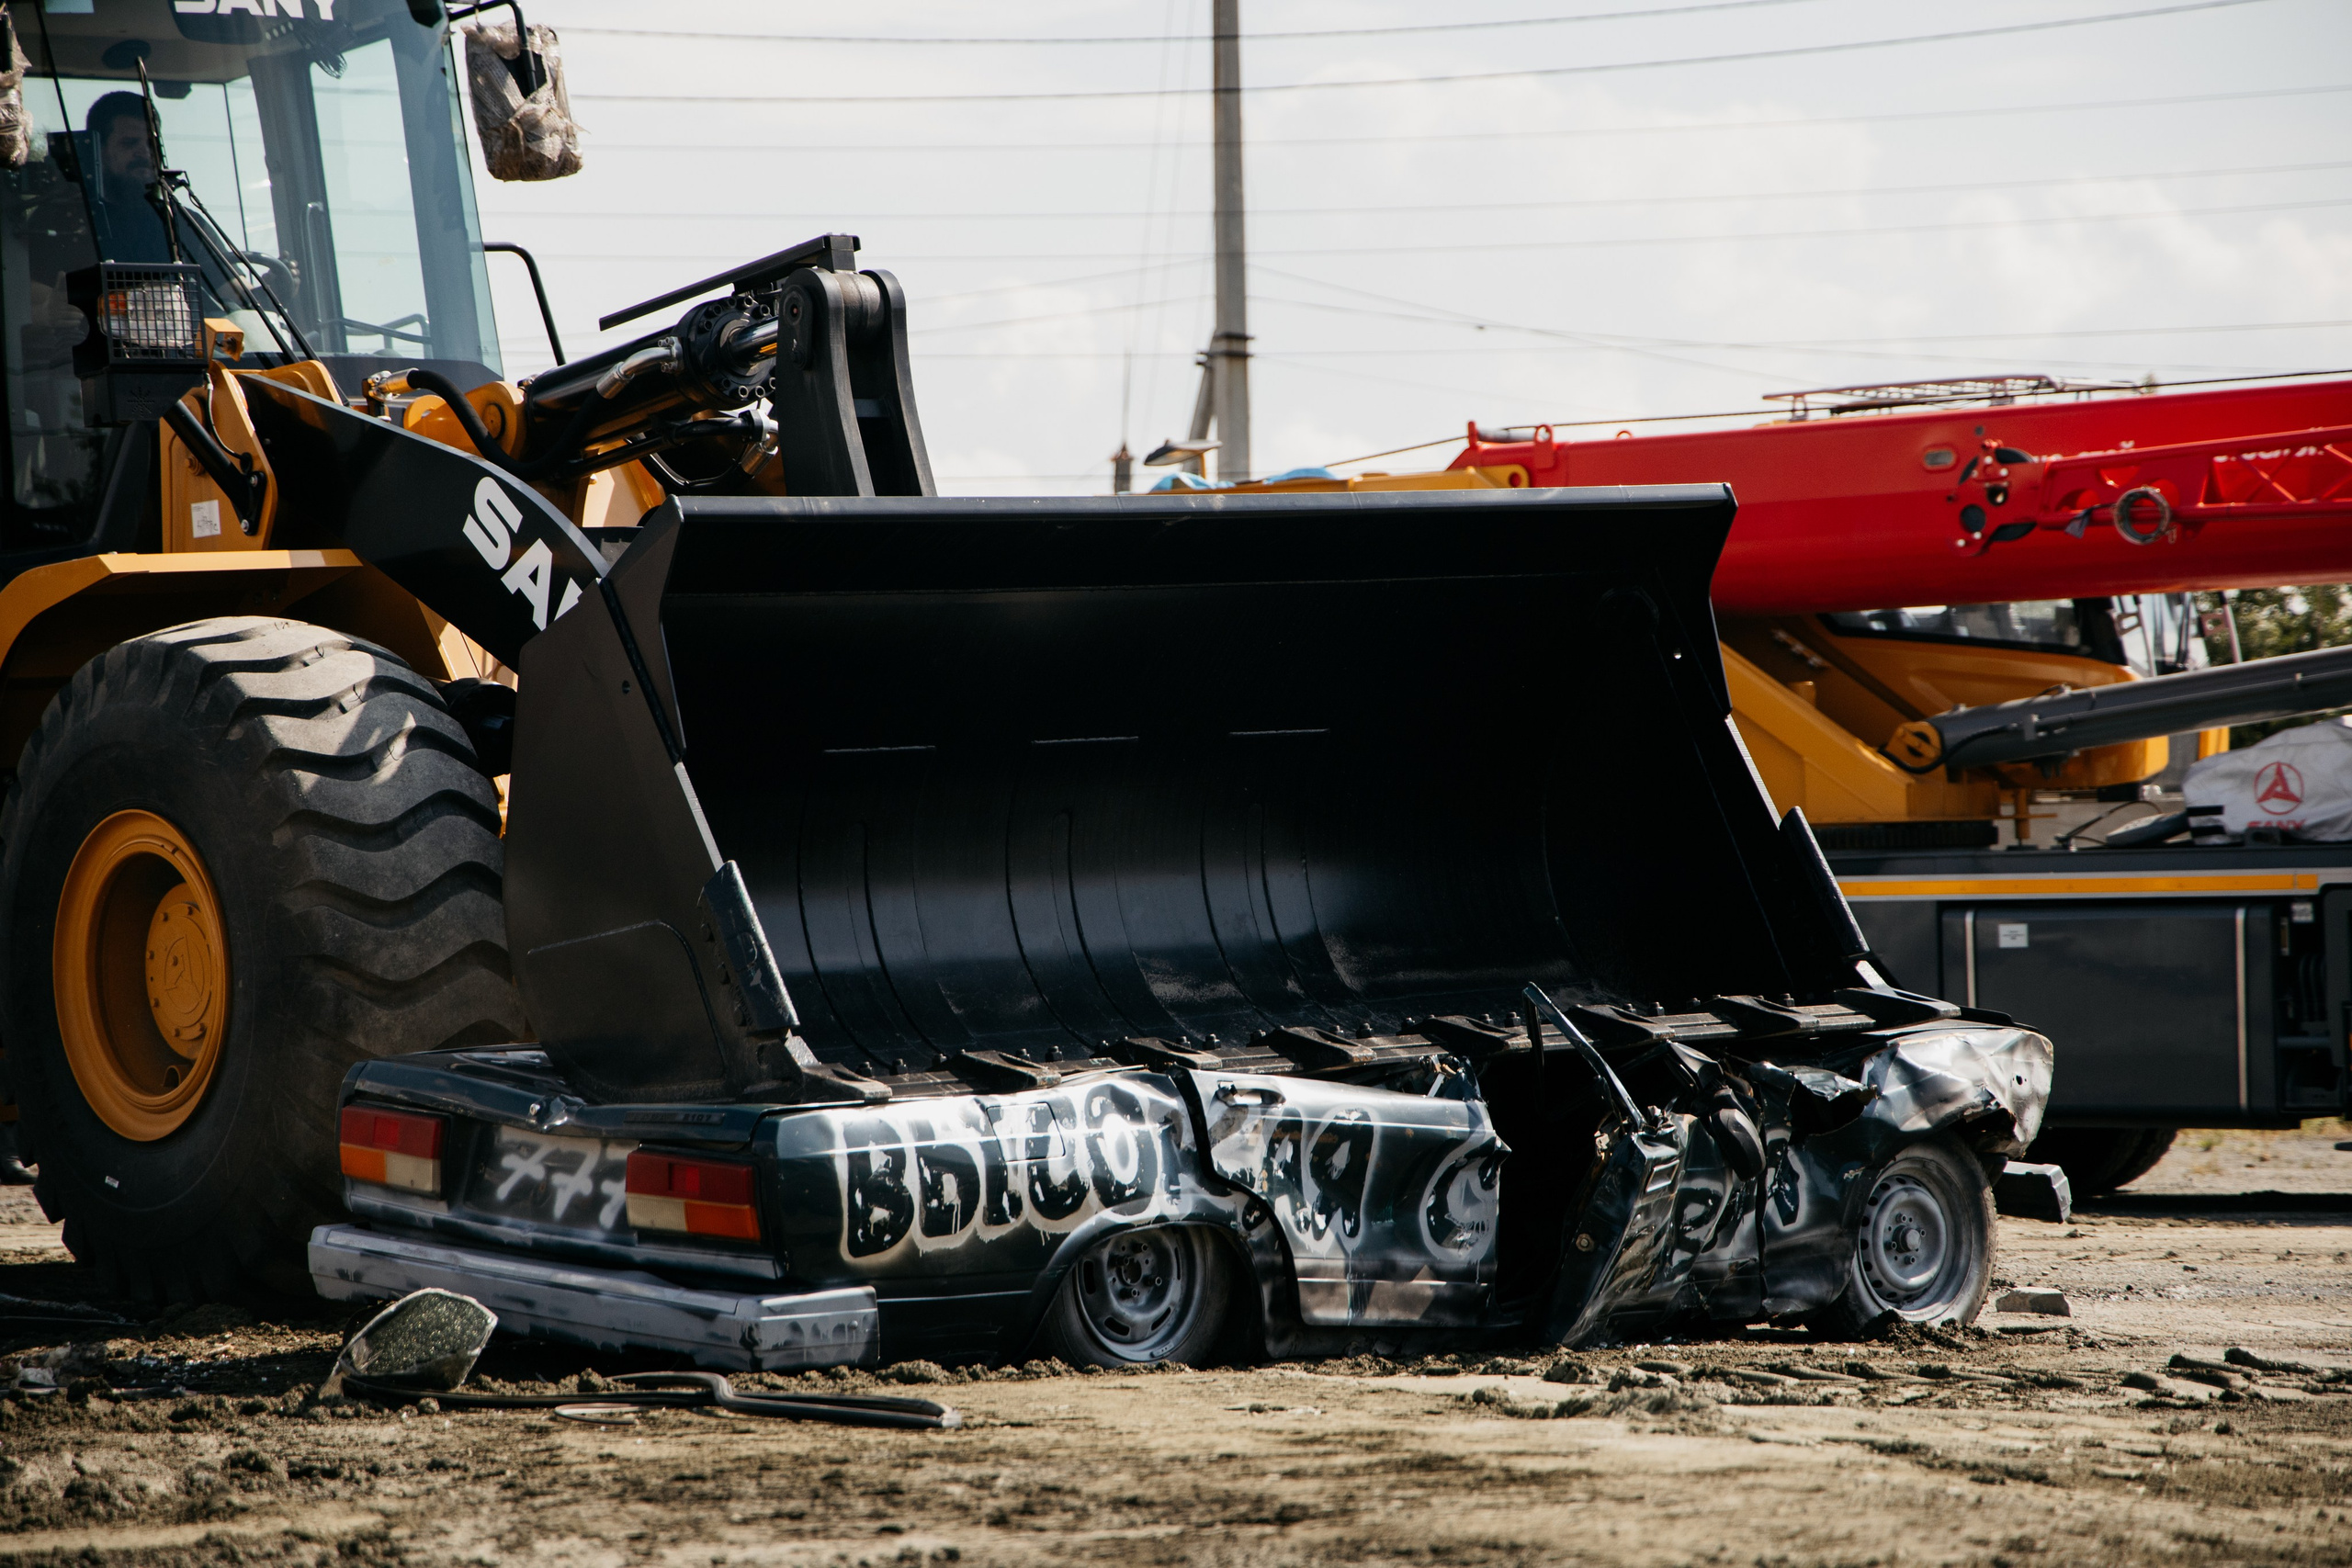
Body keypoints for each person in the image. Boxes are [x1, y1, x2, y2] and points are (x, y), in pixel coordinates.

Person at [84, 89, 175, 264]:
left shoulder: (181, 224)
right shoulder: (69, 222)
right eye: (129, 143)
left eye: (152, 145)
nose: (145, 153)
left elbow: (224, 279)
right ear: (99, 150)